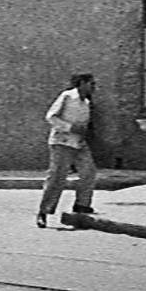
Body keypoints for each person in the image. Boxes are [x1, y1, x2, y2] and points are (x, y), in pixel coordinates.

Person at [36, 72, 97, 228]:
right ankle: (44, 211)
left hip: (79, 143)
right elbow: (51, 116)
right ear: (82, 83)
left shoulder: (86, 103)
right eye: (91, 84)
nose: (93, 87)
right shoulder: (67, 96)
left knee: (89, 172)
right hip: (62, 141)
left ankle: (81, 206)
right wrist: (70, 127)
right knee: (57, 177)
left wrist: (84, 131)